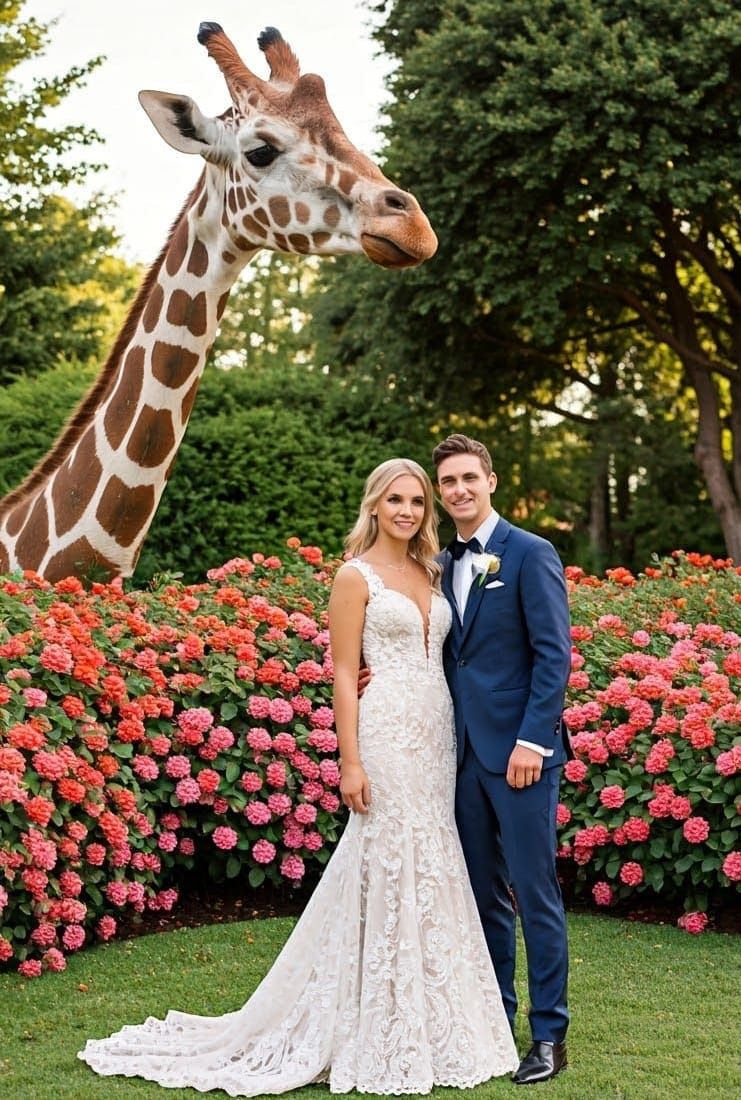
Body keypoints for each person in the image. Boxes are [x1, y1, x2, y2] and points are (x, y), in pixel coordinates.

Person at [78, 457, 519, 1095]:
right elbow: (344, 672)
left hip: (438, 733)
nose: (408, 511)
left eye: (417, 502)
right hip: (385, 733)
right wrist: (350, 759)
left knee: (434, 859)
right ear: (374, 505)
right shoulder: (354, 576)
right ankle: (369, 1019)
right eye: (396, 499)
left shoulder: (434, 569)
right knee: (386, 855)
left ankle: (439, 1019)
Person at [433, 433, 572, 1086]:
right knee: (483, 899)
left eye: (468, 478)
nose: (458, 489)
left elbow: (553, 656)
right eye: (447, 482)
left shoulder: (529, 553)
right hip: (459, 757)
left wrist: (532, 742)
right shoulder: (437, 562)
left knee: (534, 894)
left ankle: (549, 1037)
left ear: (491, 480)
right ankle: (495, 1025)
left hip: (520, 757)